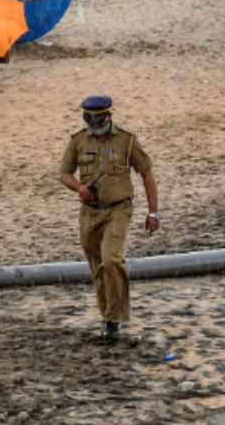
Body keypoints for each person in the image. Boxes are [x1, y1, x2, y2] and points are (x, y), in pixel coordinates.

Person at [59, 95, 160, 341]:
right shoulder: (78, 141)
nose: (93, 123)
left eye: (98, 118)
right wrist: (79, 188)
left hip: (119, 210)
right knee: (98, 267)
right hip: (89, 213)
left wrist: (153, 213)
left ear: (108, 116)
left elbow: (147, 174)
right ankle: (107, 318)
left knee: (112, 260)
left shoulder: (127, 141)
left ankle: (114, 321)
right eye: (88, 118)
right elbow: (64, 174)